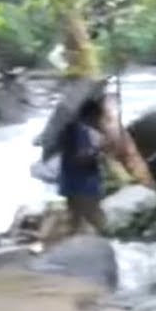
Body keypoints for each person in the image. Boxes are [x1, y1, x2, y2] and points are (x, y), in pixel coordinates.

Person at [57, 98, 109, 236]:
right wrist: (99, 150)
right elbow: (81, 159)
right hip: (84, 185)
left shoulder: (69, 129)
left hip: (70, 183)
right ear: (92, 116)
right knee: (97, 220)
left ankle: (74, 249)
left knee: (75, 222)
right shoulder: (81, 132)